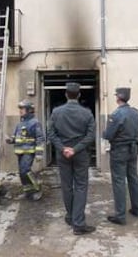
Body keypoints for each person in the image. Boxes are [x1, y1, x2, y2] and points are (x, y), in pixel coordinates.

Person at [47, 82, 96, 235]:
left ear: (66, 94)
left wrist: (63, 149)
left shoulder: (56, 112)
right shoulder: (87, 113)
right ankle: (79, 223)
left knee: (66, 186)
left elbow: (51, 133)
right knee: (81, 186)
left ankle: (70, 216)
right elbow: (91, 136)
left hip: (63, 154)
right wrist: (75, 149)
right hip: (80, 153)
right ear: (79, 95)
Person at [103, 87, 138, 225]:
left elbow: (108, 135)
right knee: (133, 177)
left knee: (119, 181)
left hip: (120, 150)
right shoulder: (135, 113)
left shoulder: (116, 115)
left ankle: (120, 215)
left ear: (118, 97)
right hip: (133, 149)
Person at [6, 99, 45, 201]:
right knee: (21, 173)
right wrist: (10, 140)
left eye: (22, 109)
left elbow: (40, 138)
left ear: (29, 110)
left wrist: (39, 153)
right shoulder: (20, 124)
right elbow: (16, 138)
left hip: (29, 151)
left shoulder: (35, 123)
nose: (20, 111)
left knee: (25, 171)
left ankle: (37, 188)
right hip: (20, 152)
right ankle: (28, 192)